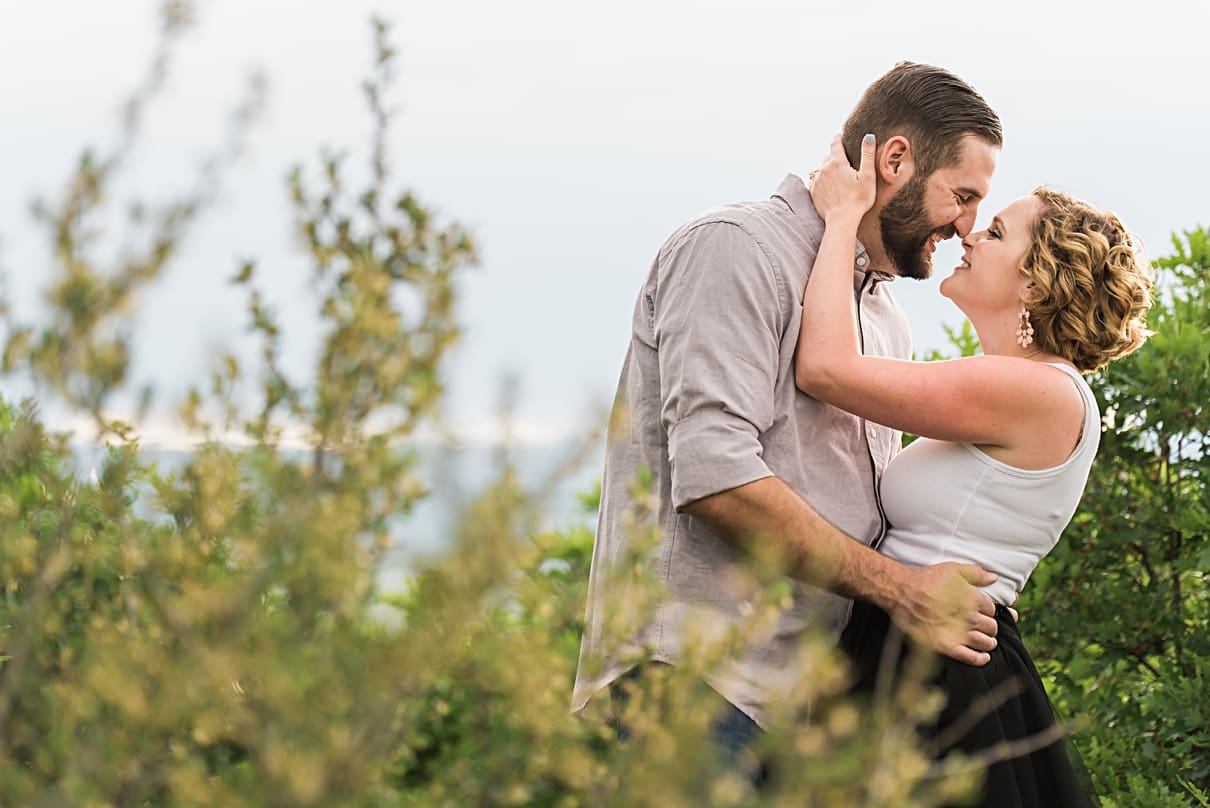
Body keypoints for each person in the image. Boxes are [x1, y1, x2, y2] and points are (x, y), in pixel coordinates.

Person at [572, 61, 1006, 781]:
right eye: (961, 196)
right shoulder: (736, 250)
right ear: (894, 160)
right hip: (688, 694)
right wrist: (902, 591)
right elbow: (718, 479)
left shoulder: (882, 315)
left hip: (802, 724)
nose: (966, 226)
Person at [798, 133, 1152, 805]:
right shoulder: (1023, 389)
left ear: (1036, 280)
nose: (967, 235)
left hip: (939, 672)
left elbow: (823, 370)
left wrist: (843, 215)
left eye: (994, 231)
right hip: (914, 645)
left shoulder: (1040, 391)